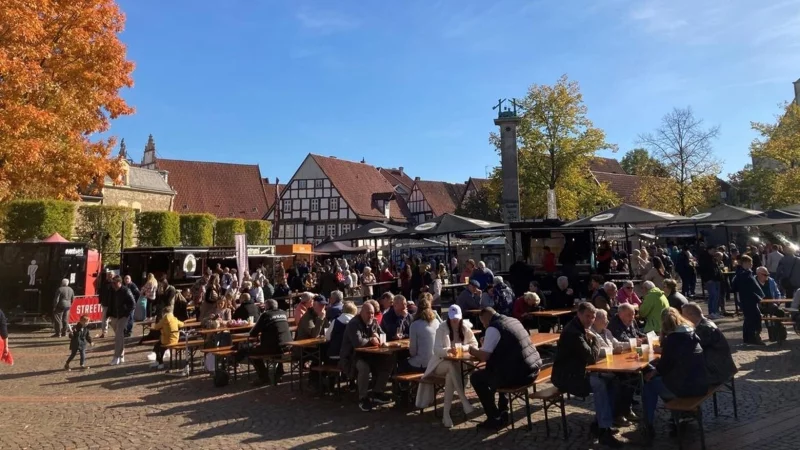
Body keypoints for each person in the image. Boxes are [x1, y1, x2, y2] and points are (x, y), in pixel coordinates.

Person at [552, 302, 621, 447]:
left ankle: (600, 422)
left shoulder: (581, 328)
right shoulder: (573, 332)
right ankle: (604, 431)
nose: (590, 320)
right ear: (579, 314)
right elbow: (591, 357)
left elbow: (587, 357)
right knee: (600, 384)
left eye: (593, 317)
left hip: (578, 372)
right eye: (587, 316)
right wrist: (595, 340)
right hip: (566, 377)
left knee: (613, 380)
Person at [468, 307, 542, 430]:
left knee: (476, 377)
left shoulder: (493, 327)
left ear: (485, 318)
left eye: (483, 322)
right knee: (500, 368)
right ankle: (503, 409)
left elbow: (484, 356)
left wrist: (472, 350)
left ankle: (494, 417)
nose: (484, 326)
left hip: (520, 375)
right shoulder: (513, 320)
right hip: (533, 368)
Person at [642, 308, 709, 440]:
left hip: (686, 388)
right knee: (662, 381)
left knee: (649, 386)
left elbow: (665, 366)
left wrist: (654, 372)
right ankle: (676, 417)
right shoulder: (691, 333)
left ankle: (648, 424)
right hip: (701, 383)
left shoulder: (673, 339)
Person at [415, 304, 478, 427]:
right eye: (452, 318)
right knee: (450, 366)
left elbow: (474, 344)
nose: (455, 320)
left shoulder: (465, 327)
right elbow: (436, 350)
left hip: (458, 364)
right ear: (448, 317)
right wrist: (448, 350)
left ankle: (446, 415)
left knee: (450, 375)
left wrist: (462, 347)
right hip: (439, 363)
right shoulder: (441, 328)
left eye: (457, 318)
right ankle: (463, 400)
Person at [339, 302, 392, 412]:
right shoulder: (353, 324)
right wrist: (371, 340)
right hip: (352, 357)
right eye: (368, 313)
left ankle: (377, 392)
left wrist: (379, 336)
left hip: (370, 355)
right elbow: (357, 342)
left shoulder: (374, 322)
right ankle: (362, 398)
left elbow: (382, 336)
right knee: (364, 368)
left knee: (388, 362)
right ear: (361, 312)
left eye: (372, 313)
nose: (371, 316)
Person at [681, 303, 737, 385]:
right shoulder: (704, 323)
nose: (681, 318)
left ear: (691, 315)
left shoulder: (705, 328)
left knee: (680, 374)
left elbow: (690, 348)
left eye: (683, 315)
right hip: (720, 367)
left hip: (717, 372)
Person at [247, 299, 293, 385]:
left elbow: (253, 333)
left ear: (266, 307)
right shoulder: (284, 313)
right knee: (277, 343)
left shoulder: (266, 315)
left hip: (273, 348)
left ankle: (263, 377)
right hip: (288, 346)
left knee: (250, 351)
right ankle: (279, 372)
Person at [732, 255, 766, 345]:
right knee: (754, 318)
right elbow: (751, 287)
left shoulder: (741, 273)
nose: (751, 264)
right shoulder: (744, 274)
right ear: (745, 263)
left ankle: (748, 338)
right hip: (748, 299)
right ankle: (753, 337)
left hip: (748, 299)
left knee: (749, 319)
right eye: (750, 263)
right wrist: (760, 296)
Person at [401, 297, 440, 373]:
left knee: (401, 365)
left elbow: (413, 351)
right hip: (435, 362)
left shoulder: (415, 325)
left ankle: (405, 385)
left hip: (422, 364)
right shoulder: (436, 322)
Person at [108, 275, 135, 366]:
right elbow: (112, 302)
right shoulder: (115, 291)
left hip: (124, 315)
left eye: (115, 284)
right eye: (112, 284)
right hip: (117, 315)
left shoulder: (126, 290)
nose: (113, 285)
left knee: (119, 335)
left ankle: (116, 357)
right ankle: (121, 355)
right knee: (120, 336)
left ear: (119, 283)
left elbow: (133, 304)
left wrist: (126, 313)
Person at [150, 304, 184, 370]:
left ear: (164, 313)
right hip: (175, 339)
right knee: (160, 346)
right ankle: (159, 362)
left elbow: (156, 327)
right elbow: (182, 324)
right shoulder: (174, 318)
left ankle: (160, 362)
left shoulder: (164, 319)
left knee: (157, 346)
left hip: (166, 340)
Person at [96, 271, 114, 338]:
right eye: (109, 275)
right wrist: (100, 301)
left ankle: (118, 332)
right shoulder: (104, 283)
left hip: (113, 304)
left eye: (111, 275)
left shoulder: (115, 283)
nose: (110, 276)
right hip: (105, 303)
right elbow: (101, 292)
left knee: (115, 319)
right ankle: (104, 332)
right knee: (104, 319)